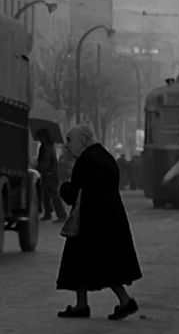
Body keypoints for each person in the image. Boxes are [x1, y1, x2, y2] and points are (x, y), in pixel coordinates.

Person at [56, 125, 141, 321]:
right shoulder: (104, 156)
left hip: (91, 222)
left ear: (82, 140)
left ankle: (121, 302)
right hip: (108, 219)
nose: (68, 146)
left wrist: (64, 188)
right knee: (93, 263)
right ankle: (84, 304)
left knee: (94, 263)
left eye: (70, 140)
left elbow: (75, 193)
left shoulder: (86, 161)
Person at [37, 129, 67, 222]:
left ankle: (61, 214)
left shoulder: (46, 147)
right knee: (46, 194)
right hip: (50, 173)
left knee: (54, 194)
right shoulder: (49, 145)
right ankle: (48, 213)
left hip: (49, 173)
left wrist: (38, 168)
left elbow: (45, 161)